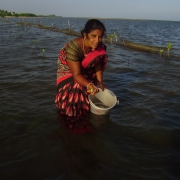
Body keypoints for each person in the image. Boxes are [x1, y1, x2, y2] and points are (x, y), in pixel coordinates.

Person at [55, 19, 108, 130]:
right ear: (85, 34)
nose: (97, 40)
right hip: (70, 73)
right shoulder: (73, 48)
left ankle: (85, 113)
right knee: (75, 96)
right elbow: (77, 74)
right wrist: (89, 85)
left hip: (83, 71)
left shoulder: (99, 46)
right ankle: (72, 120)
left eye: (100, 37)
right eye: (93, 36)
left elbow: (97, 63)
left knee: (92, 92)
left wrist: (99, 82)